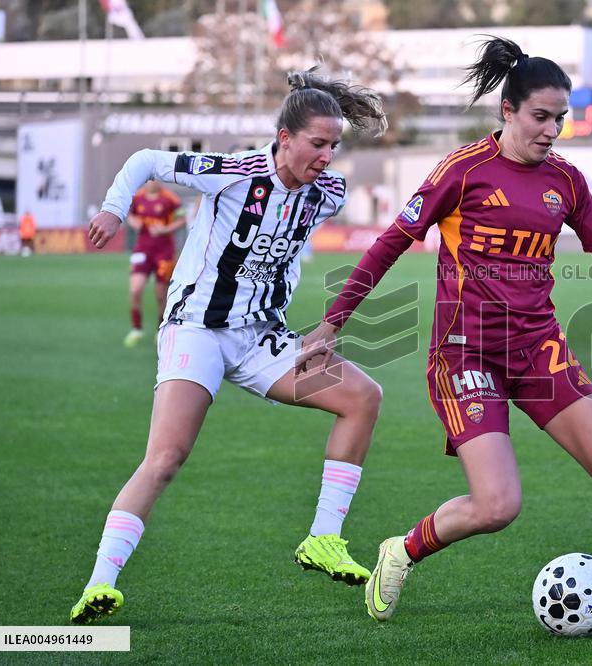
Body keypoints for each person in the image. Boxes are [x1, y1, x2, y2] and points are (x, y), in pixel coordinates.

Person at [298, 37, 592, 624]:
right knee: (498, 506)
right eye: (540, 117)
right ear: (508, 111)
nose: (551, 130)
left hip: (538, 351)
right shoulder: (462, 171)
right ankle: (402, 549)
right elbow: (392, 242)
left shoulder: (566, 182)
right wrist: (332, 323)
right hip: (465, 356)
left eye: (560, 119)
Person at [70, 68, 389, 625]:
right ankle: (100, 582)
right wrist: (113, 209)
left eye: (334, 145)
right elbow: (145, 158)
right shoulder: (237, 170)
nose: (327, 156)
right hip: (197, 328)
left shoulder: (328, 191)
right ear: (284, 138)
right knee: (166, 457)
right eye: (317, 144)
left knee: (362, 397)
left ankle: (323, 538)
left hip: (262, 339)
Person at [123, 181, 186, 347]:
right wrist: (133, 221)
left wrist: (165, 229)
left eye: (156, 178)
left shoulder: (170, 198)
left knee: (160, 294)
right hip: (142, 249)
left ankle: (161, 330)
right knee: (135, 289)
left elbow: (182, 220)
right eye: (150, 179)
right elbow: (129, 214)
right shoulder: (138, 197)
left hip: (164, 252)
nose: (152, 182)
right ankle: (136, 329)